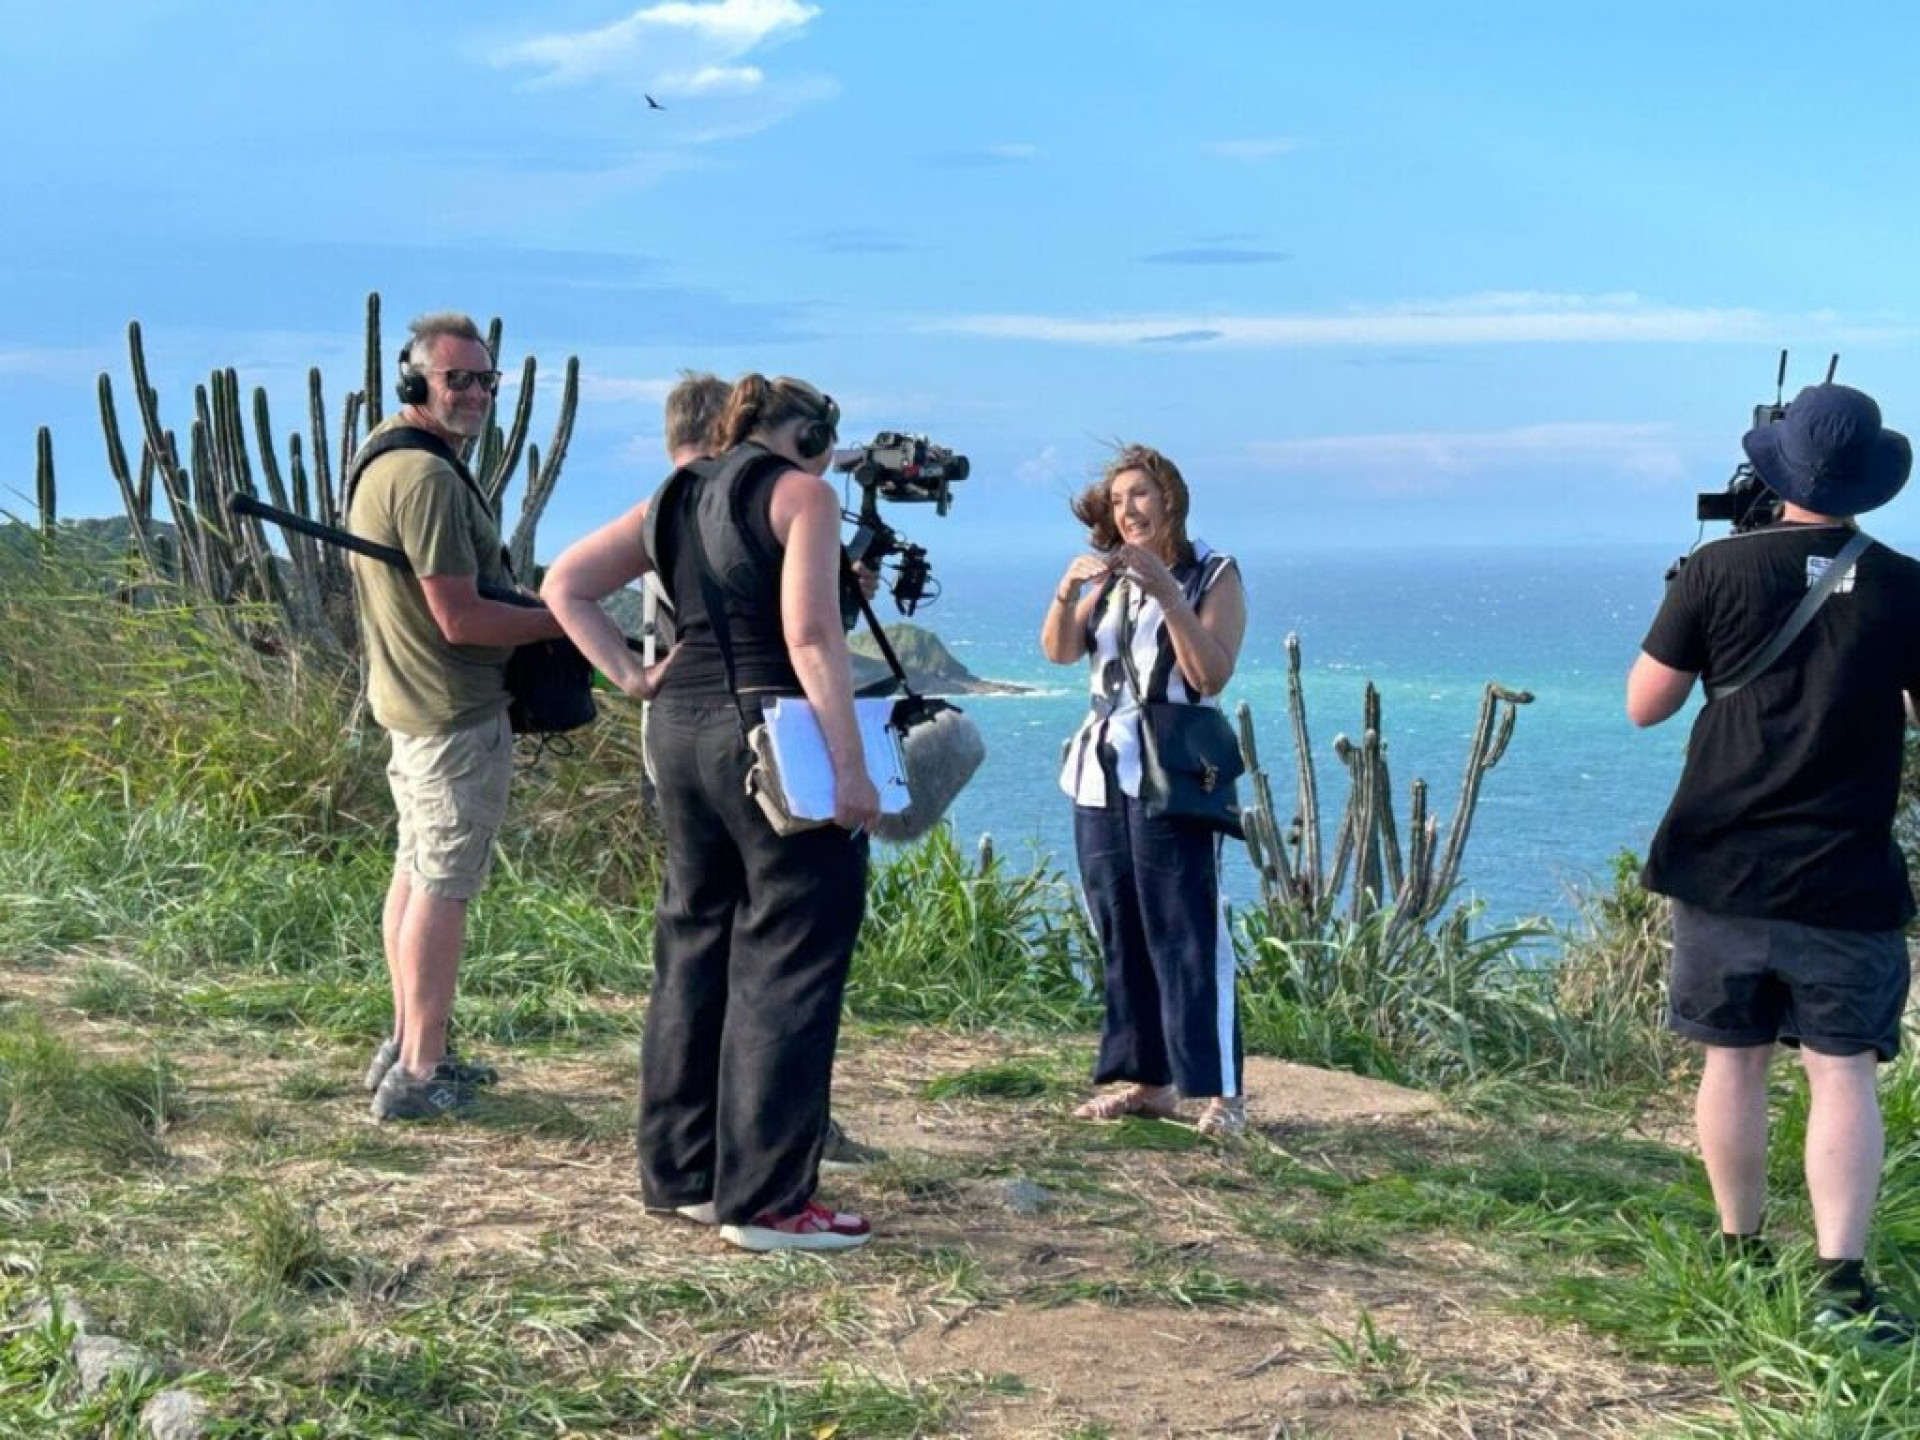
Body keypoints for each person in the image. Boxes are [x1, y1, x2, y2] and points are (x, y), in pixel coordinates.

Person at [545, 373, 879, 1252]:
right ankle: (769, 1203)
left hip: (679, 732)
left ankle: (682, 1173)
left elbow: (564, 582)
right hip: (770, 735)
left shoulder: (674, 494)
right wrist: (851, 770)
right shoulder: (804, 494)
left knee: (693, 940)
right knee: (792, 952)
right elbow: (811, 637)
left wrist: (630, 673)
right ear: (806, 433)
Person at [1628, 382, 1920, 1344]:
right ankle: (1840, 1283)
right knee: (1844, 1076)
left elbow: (1647, 703)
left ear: (1775, 469)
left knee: (1735, 1060)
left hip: (1723, 862)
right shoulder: (1906, 583)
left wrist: (1697, 602)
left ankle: (1738, 1250)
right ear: (1868, 486)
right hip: (1846, 867)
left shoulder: (1717, 568)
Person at [348, 311, 568, 1122]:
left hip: (411, 702)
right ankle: (419, 1073)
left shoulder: (385, 453)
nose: (474, 393)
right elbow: (461, 618)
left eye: (485, 379)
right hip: (452, 709)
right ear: (417, 383)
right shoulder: (430, 478)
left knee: (416, 873)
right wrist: (561, 620)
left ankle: (408, 1044)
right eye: (457, 379)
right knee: (443, 885)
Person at [1042, 444, 1249, 1135]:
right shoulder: (1108, 576)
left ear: (1170, 500)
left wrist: (1167, 592)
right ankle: (1147, 1079)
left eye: (1140, 495)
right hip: (1102, 769)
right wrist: (1067, 592)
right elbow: (1061, 652)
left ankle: (1222, 1091)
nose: (1128, 509)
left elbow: (1210, 674)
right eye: (1119, 498)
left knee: (1188, 926)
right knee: (1120, 924)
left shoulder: (1212, 573)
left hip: (1172, 769)